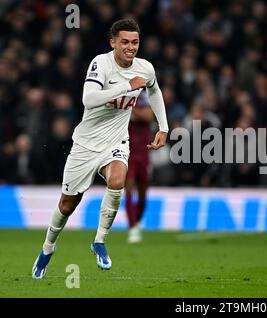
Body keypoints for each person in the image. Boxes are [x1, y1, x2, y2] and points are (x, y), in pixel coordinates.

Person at [32, 19, 169, 279]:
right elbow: (89, 99)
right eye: (125, 42)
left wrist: (163, 127)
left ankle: (99, 241)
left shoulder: (145, 69)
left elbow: (155, 91)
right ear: (113, 42)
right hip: (85, 145)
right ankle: (48, 248)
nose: (131, 47)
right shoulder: (100, 63)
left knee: (118, 180)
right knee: (68, 204)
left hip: (116, 142)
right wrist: (126, 86)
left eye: (135, 42)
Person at [125, 95, 153, 243]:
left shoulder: (146, 94)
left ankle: (137, 220)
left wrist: (129, 108)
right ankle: (132, 227)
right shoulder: (122, 90)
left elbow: (149, 115)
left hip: (143, 152)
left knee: (143, 193)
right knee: (128, 187)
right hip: (127, 151)